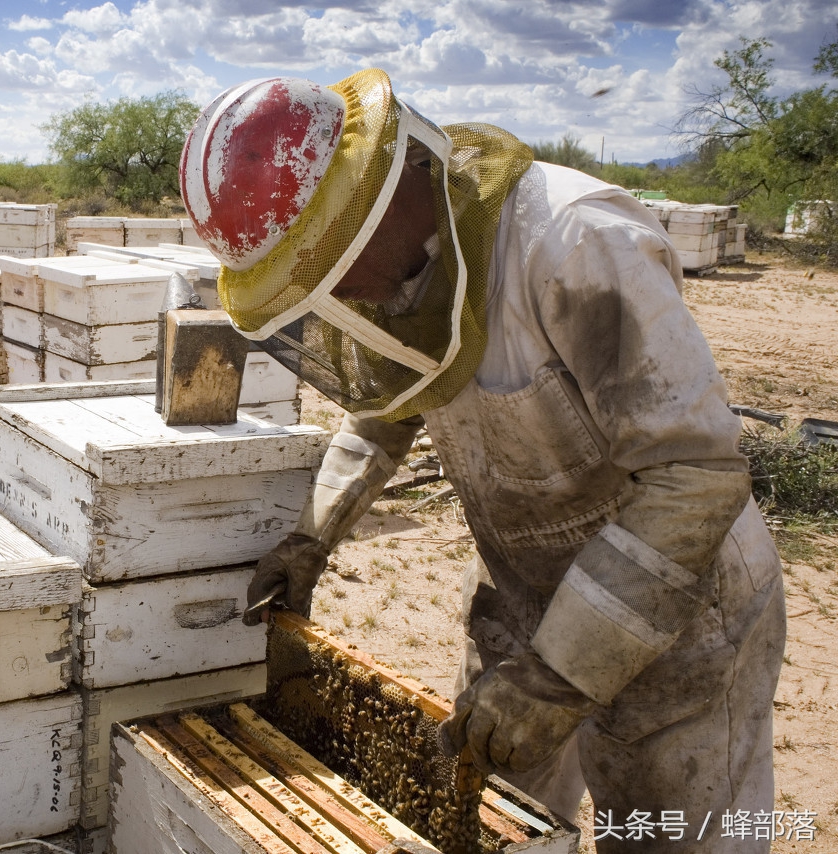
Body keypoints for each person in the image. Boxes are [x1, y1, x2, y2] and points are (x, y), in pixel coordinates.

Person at [178, 68, 785, 852]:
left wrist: (562, 673)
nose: (333, 299)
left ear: (373, 208)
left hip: (682, 612)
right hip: (522, 594)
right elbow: (383, 413)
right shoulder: (398, 285)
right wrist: (311, 535)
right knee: (491, 820)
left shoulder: (574, 241)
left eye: (320, 271)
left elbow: (693, 477)